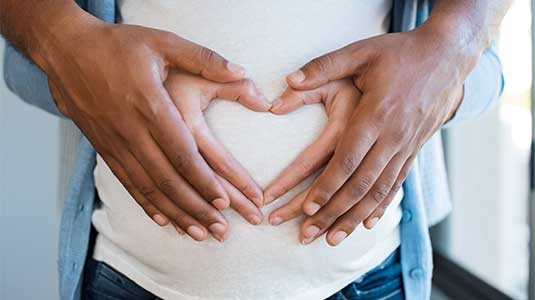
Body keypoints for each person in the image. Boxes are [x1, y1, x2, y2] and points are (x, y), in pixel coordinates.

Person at [0, 0, 509, 299]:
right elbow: (23, 63)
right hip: (132, 278)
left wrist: (451, 53)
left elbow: (479, 63)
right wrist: (63, 42)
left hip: (366, 279)